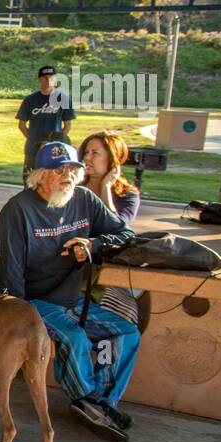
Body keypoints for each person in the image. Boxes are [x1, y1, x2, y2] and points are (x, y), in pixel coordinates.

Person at [0, 141, 138, 442]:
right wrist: (19, 324)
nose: (68, 176)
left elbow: (125, 234)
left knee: (127, 333)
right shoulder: (18, 210)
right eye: (59, 170)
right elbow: (10, 274)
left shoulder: (84, 199)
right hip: (36, 303)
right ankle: (90, 401)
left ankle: (100, 403)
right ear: (39, 175)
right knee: (75, 339)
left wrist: (92, 245)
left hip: (76, 300)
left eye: (73, 168)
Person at [78, 130, 142, 324]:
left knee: (123, 312)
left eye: (95, 153)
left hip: (103, 264)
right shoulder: (73, 188)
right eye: (86, 152)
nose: (87, 157)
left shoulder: (128, 195)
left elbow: (118, 230)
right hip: (70, 259)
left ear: (113, 160)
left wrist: (106, 188)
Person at [18, 65, 75, 176]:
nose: (48, 80)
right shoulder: (30, 100)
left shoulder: (63, 99)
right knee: (29, 181)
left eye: (51, 77)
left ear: (56, 78)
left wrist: (57, 141)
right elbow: (21, 125)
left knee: (52, 181)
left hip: (54, 151)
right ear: (39, 79)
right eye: (44, 77)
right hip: (32, 149)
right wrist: (32, 138)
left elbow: (68, 125)